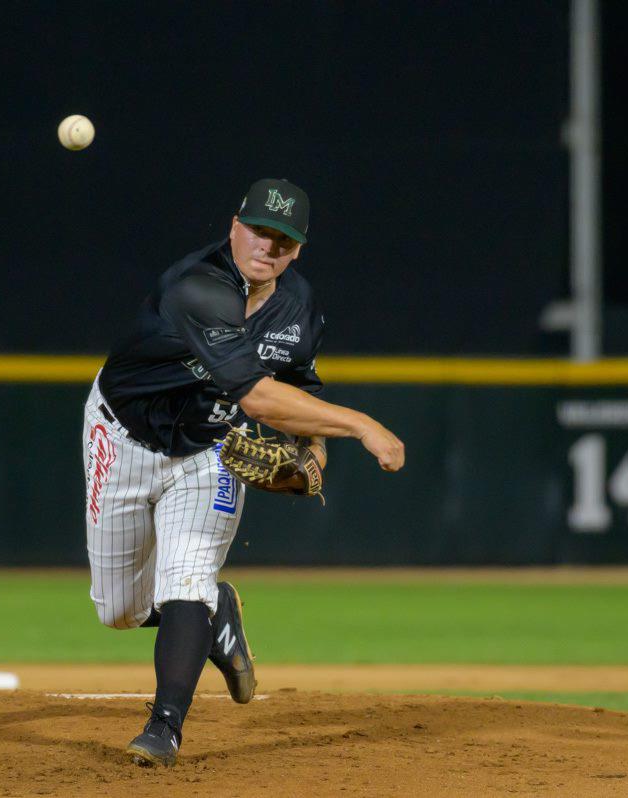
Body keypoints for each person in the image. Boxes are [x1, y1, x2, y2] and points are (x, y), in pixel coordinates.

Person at [83, 178, 405, 766]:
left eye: (284, 241)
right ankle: (217, 613)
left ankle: (164, 729)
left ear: (299, 250)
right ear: (234, 225)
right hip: (123, 434)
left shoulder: (298, 306)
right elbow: (257, 397)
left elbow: (298, 385)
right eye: (259, 231)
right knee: (119, 610)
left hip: (213, 446)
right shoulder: (196, 287)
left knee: (186, 579)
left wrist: (316, 450)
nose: (268, 247)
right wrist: (359, 425)